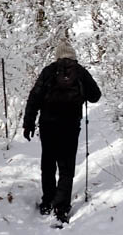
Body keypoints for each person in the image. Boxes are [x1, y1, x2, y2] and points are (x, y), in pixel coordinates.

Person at [23, 39, 101, 222]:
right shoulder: (80, 72)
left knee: (48, 163)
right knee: (66, 167)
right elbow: (95, 96)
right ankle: (61, 208)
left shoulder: (49, 71)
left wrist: (28, 123)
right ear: (73, 56)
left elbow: (34, 97)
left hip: (48, 125)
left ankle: (47, 202)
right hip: (70, 125)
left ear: (57, 56)